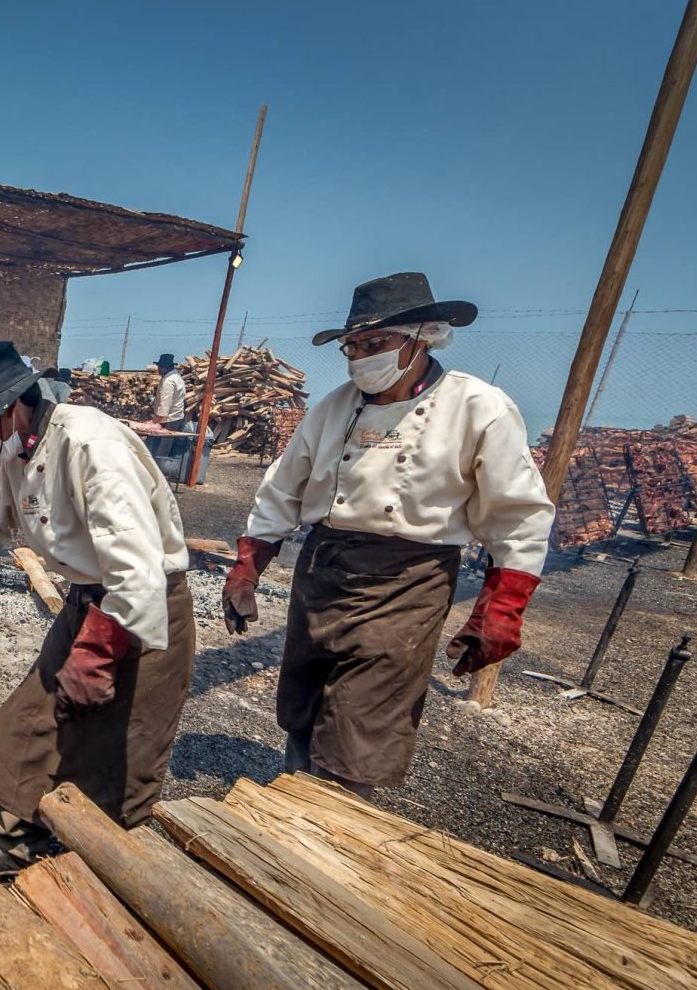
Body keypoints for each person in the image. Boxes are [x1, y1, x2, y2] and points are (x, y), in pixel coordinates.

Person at [225, 272, 556, 798]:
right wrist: (248, 565)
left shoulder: (479, 407)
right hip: (325, 564)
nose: (360, 357)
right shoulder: (332, 407)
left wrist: (502, 607)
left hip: (408, 580)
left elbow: (517, 513)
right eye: (352, 347)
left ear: (422, 336)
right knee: (304, 700)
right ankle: (291, 795)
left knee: (363, 718)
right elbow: (282, 489)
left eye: (374, 344)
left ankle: (330, 822)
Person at [0, 340, 194, 868]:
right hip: (86, 602)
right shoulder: (20, 451)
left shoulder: (90, 444)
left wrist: (97, 654)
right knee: (35, 718)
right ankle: (18, 839)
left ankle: (115, 866)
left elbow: (137, 567)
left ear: (12, 406)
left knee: (123, 747)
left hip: (138, 609)